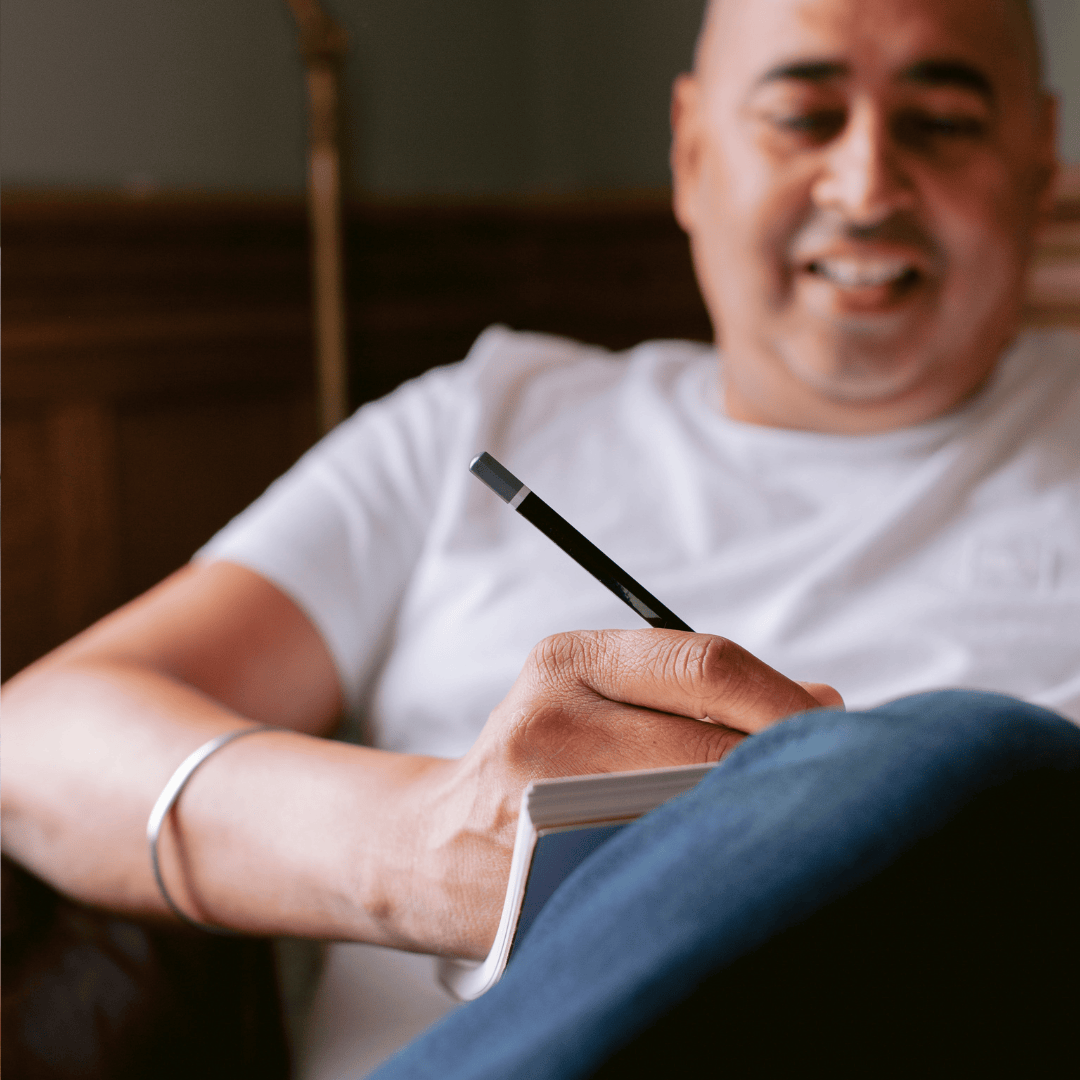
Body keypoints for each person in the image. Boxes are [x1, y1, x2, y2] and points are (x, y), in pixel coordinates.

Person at [2, 0, 1077, 1074]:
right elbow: (37, 743)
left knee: (978, 761)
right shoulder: (476, 421)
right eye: (802, 116)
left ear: (1040, 159)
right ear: (694, 151)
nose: (867, 187)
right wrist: (432, 849)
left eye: (942, 123)